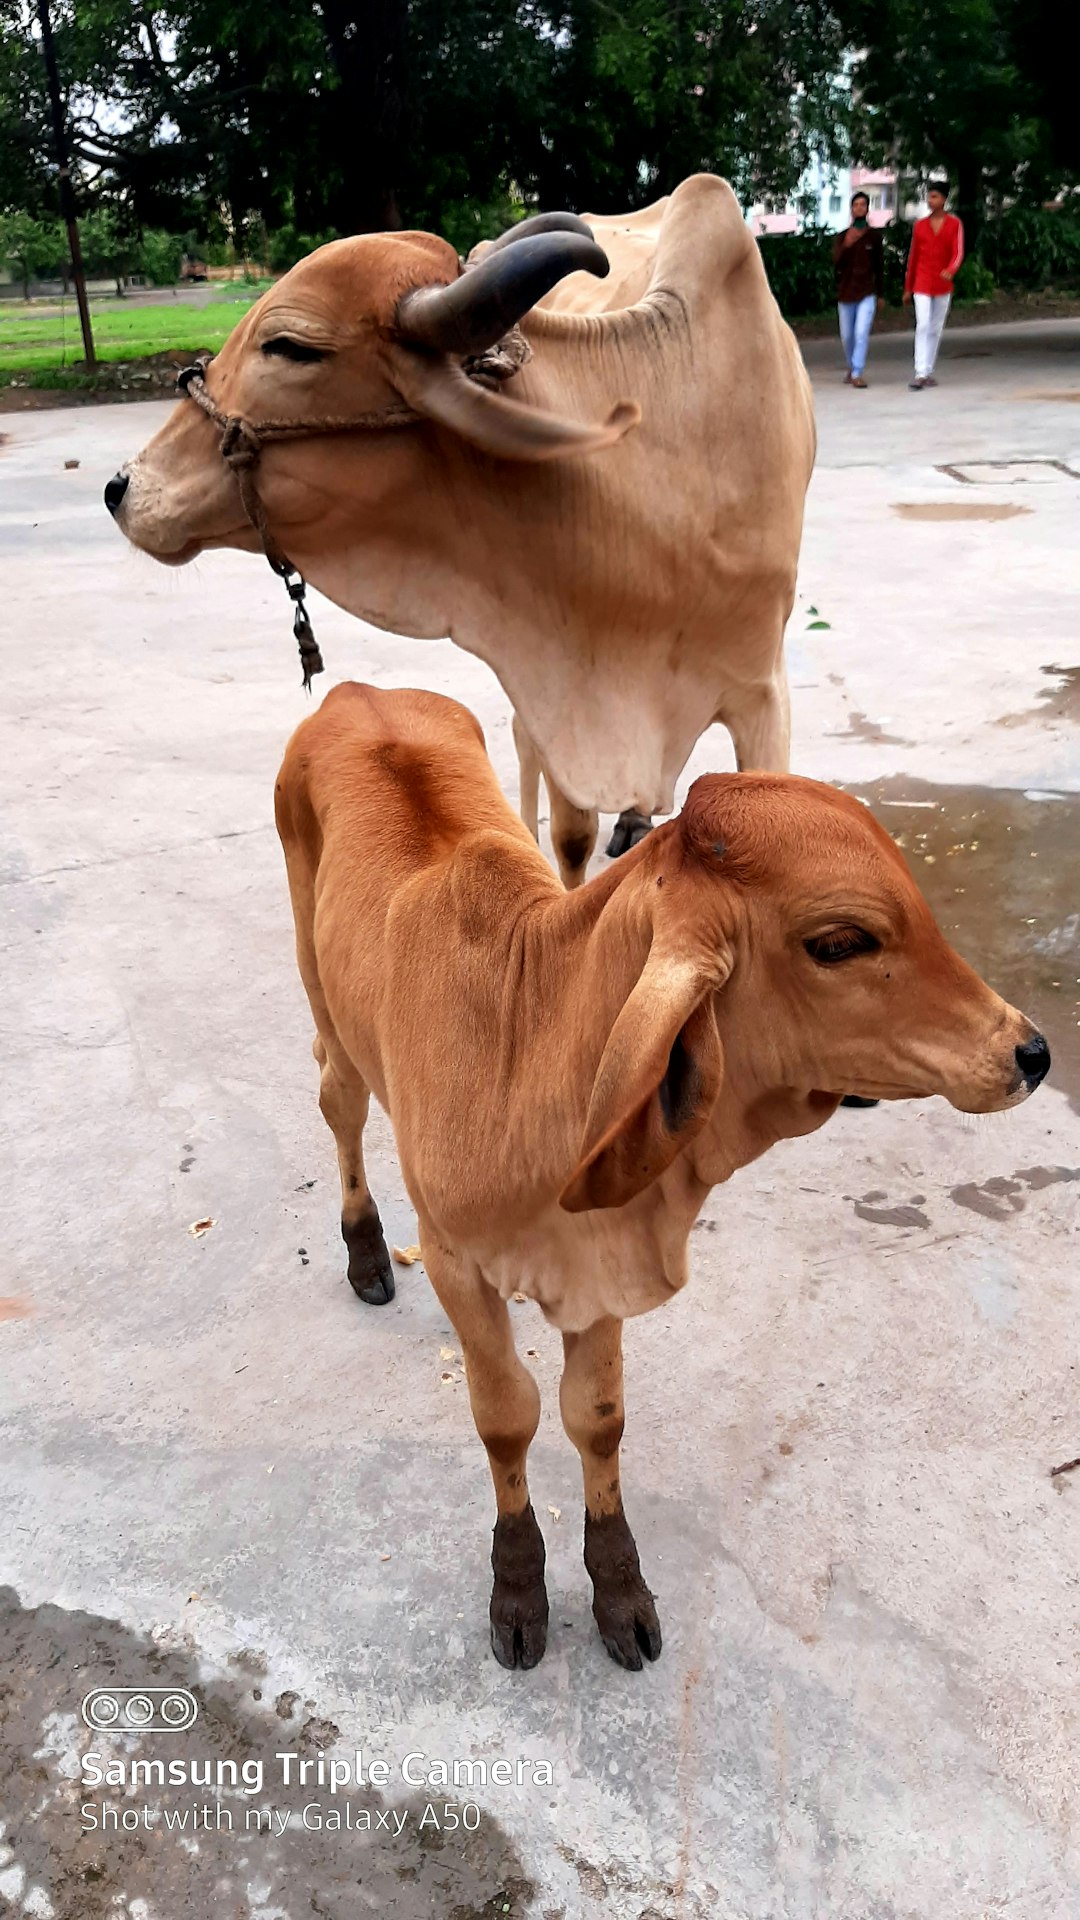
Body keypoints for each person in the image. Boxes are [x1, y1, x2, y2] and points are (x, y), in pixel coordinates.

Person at [903, 181, 964, 389]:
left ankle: (928, 369)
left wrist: (951, 270)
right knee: (923, 324)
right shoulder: (920, 226)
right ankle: (920, 372)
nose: (931, 201)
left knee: (935, 328)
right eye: (929, 197)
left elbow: (958, 252)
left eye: (935, 197)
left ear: (944, 199)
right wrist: (908, 286)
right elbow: (913, 257)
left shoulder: (954, 224)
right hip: (922, 281)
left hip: (942, 284)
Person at [832, 191, 885, 388]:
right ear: (852, 209)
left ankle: (857, 372)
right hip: (846, 293)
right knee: (847, 336)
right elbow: (836, 263)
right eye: (856, 205)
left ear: (867, 208)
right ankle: (851, 365)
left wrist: (880, 294)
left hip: (866, 292)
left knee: (861, 332)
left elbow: (879, 267)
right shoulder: (842, 236)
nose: (859, 208)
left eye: (863, 204)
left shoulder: (874, 237)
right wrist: (846, 245)